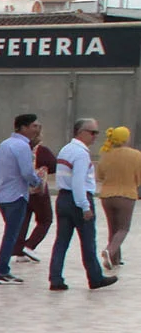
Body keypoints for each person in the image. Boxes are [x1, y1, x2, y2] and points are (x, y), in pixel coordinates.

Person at [51, 117, 115, 292]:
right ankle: (95, 278)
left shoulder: (65, 149)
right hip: (77, 199)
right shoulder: (81, 154)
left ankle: (55, 278)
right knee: (88, 242)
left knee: (61, 241)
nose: (95, 136)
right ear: (81, 132)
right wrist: (85, 206)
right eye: (92, 132)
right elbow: (78, 182)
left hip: (63, 198)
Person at [0, 114, 44, 284]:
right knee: (11, 235)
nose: (37, 129)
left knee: (11, 233)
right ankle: (2, 271)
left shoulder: (5, 144)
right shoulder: (22, 146)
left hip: (2, 195)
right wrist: (38, 182)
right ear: (23, 127)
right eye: (34, 126)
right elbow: (27, 172)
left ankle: (3, 269)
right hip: (16, 196)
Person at [99, 126, 140, 270]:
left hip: (106, 196)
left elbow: (100, 175)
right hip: (126, 195)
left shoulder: (106, 154)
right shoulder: (136, 155)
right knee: (123, 228)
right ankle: (109, 252)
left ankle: (115, 259)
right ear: (126, 138)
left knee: (113, 228)